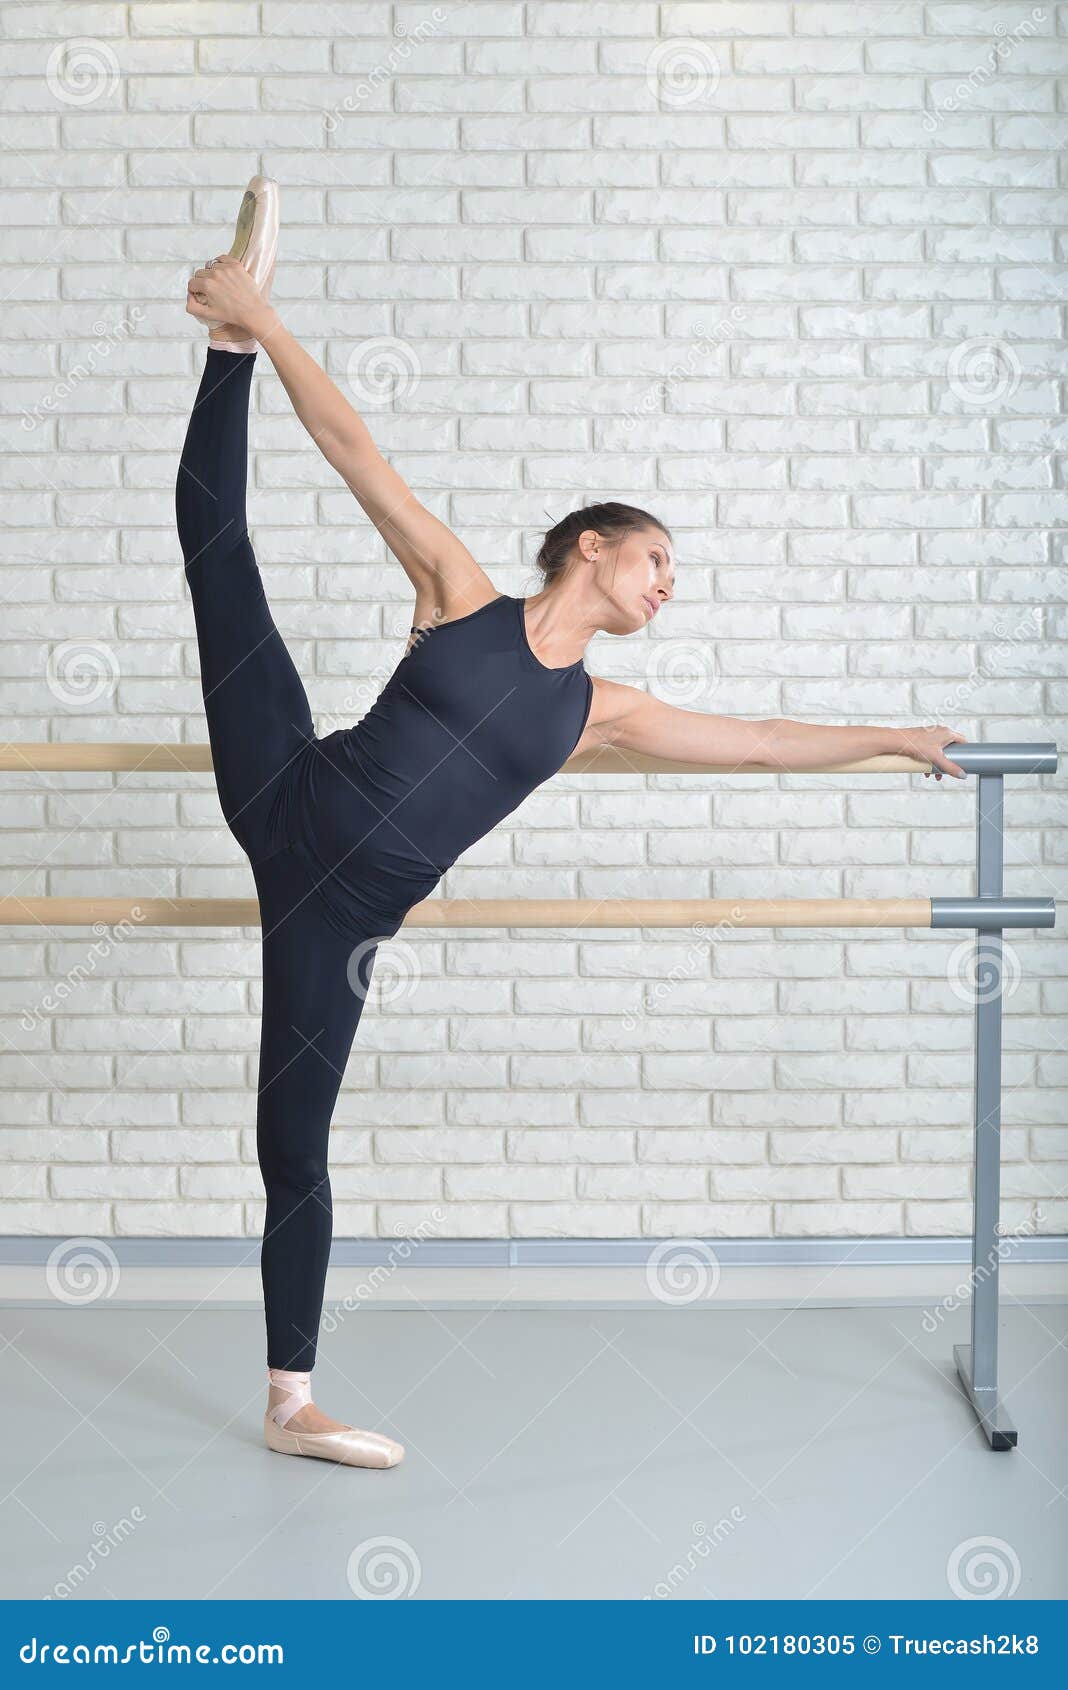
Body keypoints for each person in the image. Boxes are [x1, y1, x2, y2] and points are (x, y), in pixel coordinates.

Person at [180, 178, 967, 1470]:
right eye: (660, 562)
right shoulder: (463, 594)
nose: (669, 589)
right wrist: (263, 322)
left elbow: (763, 744)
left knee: (292, 1143)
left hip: (341, 911)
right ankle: (219, 353)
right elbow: (358, 450)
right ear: (594, 545)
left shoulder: (603, 709)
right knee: (223, 559)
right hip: (289, 791)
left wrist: (892, 734)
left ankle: (289, 1402)